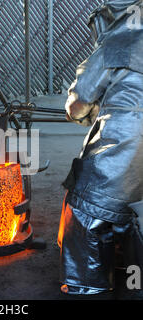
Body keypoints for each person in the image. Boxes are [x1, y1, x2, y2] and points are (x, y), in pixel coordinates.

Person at [58, 0, 143, 298]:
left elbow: (79, 100)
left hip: (123, 149)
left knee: (85, 207)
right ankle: (131, 268)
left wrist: (83, 113)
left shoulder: (117, 43)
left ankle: (89, 283)